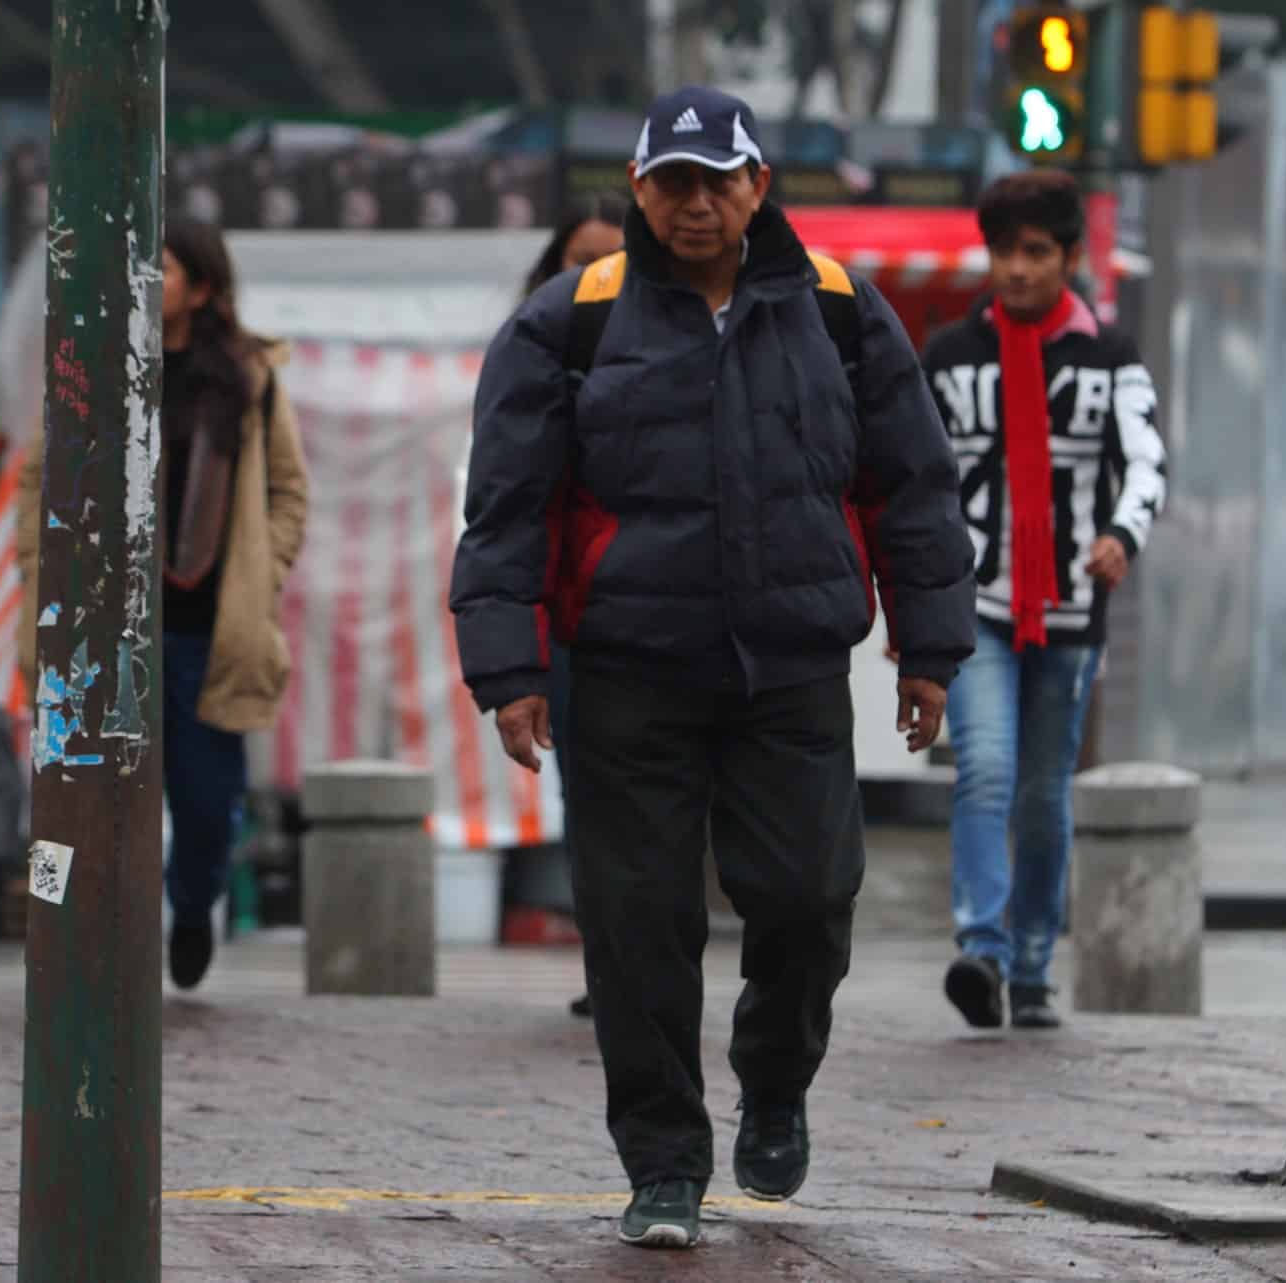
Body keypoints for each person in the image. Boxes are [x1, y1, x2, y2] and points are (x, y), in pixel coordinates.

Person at [450, 87, 976, 1249]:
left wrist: (928, 643)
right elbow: (506, 513)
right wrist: (510, 669)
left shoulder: (842, 311)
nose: (695, 202)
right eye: (672, 181)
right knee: (638, 925)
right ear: (640, 189)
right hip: (629, 674)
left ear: (757, 186)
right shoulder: (570, 318)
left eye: (716, 179)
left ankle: (775, 1081)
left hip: (789, 672)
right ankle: (664, 1162)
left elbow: (912, 485)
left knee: (807, 897)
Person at [17, 217, 309, 992]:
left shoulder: (249, 377)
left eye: (165, 269)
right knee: (87, 804)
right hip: (105, 631)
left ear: (204, 287)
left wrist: (261, 571)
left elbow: (289, 492)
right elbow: (37, 479)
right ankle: (82, 937)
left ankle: (192, 904)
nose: (145, 282)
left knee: (209, 808)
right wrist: (37, 575)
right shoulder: (95, 361)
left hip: (208, 635)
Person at [922, 170, 1166, 1032]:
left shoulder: (1111, 355)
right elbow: (916, 480)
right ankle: (983, 949)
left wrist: (1122, 536)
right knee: (985, 770)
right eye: (1002, 252)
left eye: (1035, 253)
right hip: (976, 600)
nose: (1016, 270)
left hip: (1070, 609)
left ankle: (1030, 964)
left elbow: (1148, 462)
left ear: (1069, 257)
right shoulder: (949, 357)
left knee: (1044, 789)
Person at [516, 196, 627, 1021]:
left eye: (611, 260)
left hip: (656, 612)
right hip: (565, 614)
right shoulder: (527, 355)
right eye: (576, 259)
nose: (593, 276)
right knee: (586, 790)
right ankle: (610, 957)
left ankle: (645, 955)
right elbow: (499, 508)